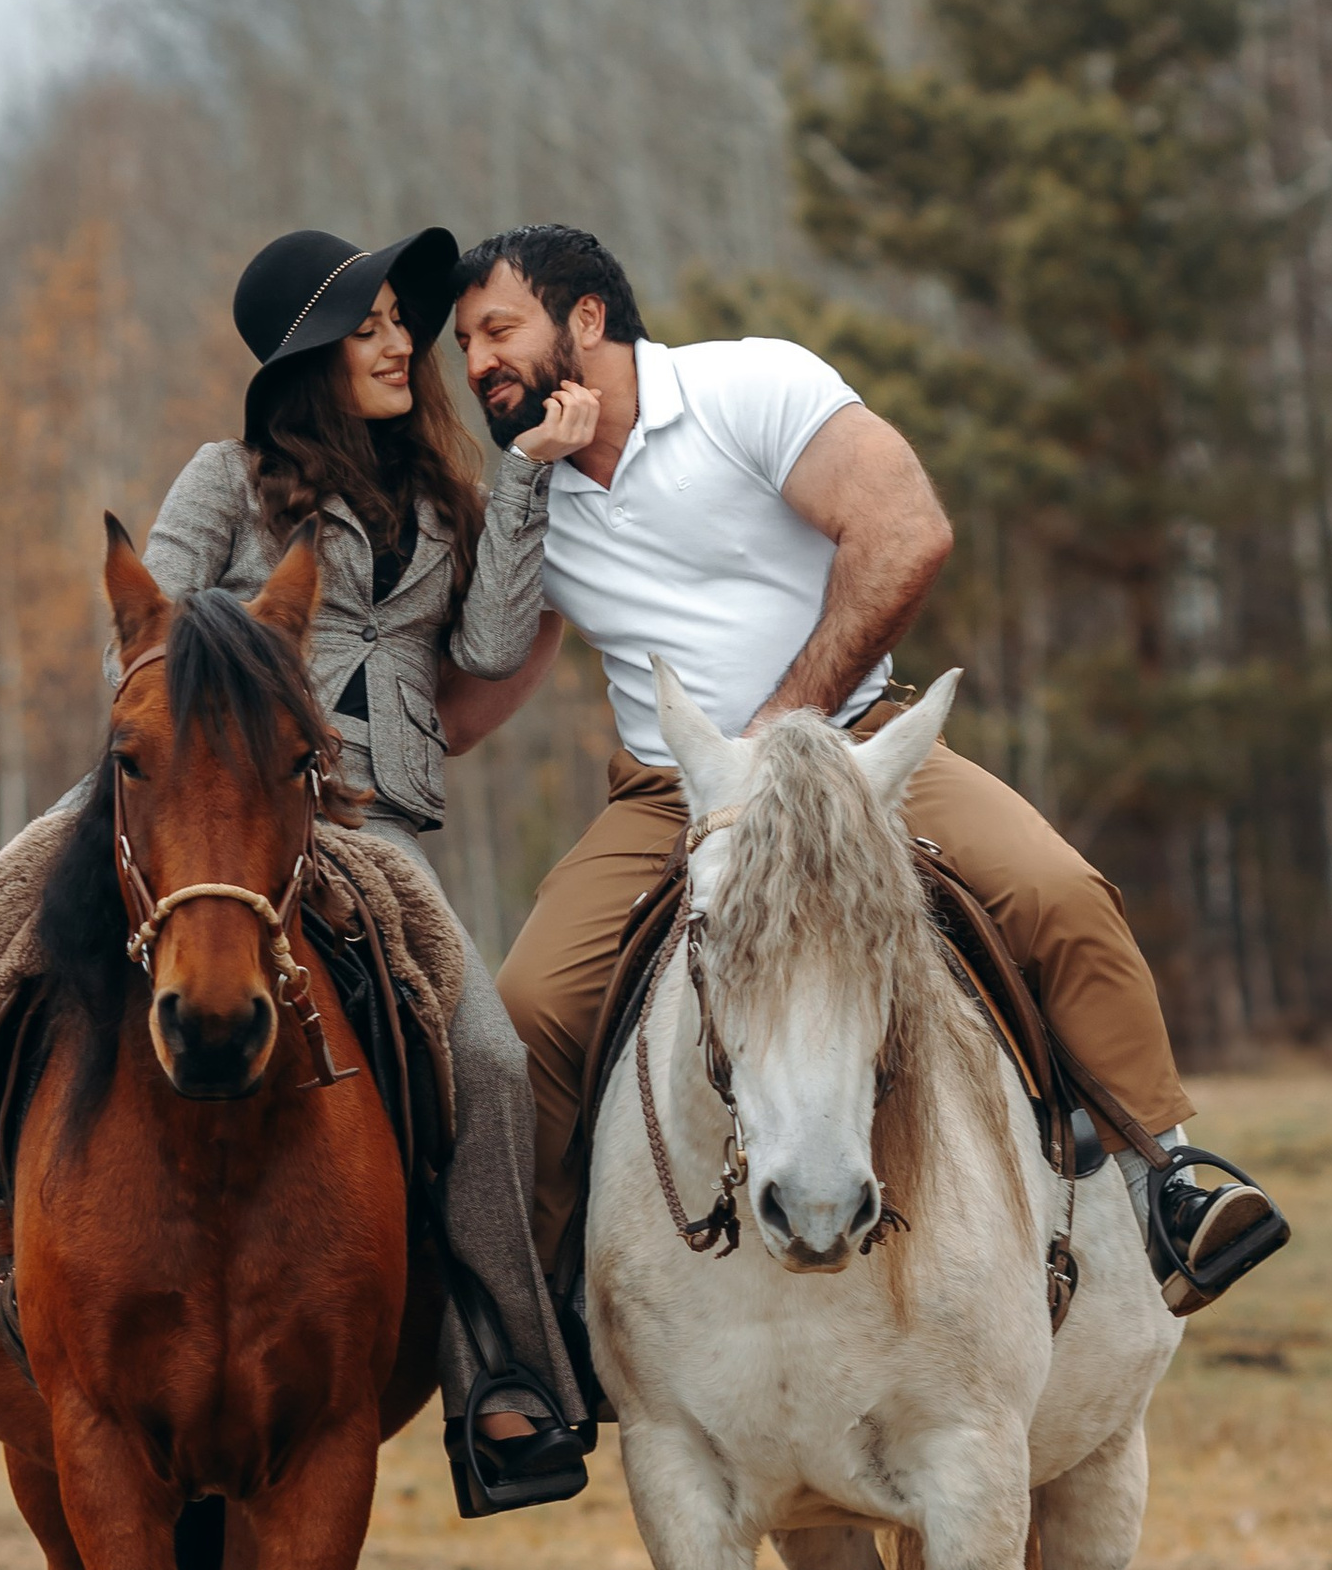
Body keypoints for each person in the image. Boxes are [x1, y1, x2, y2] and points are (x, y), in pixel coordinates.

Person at [0, 223, 589, 1511]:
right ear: (308, 356)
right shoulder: (228, 477)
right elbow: (138, 637)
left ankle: (503, 1368)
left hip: (360, 823)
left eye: (401, 321)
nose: (401, 343)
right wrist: (251, 671)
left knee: (487, 1056)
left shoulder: (452, 501)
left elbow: (489, 648)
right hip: (176, 797)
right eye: (370, 326)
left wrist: (531, 475)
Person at [446, 222, 1288, 1313]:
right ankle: (545, 1321)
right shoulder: (531, 495)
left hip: (853, 747)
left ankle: (1166, 1183)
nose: (478, 363)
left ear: (588, 318)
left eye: (498, 329)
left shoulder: (749, 387)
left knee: (1057, 894)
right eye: (465, 345)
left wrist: (779, 725)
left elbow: (903, 533)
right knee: (525, 1012)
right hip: (672, 795)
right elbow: (479, 696)